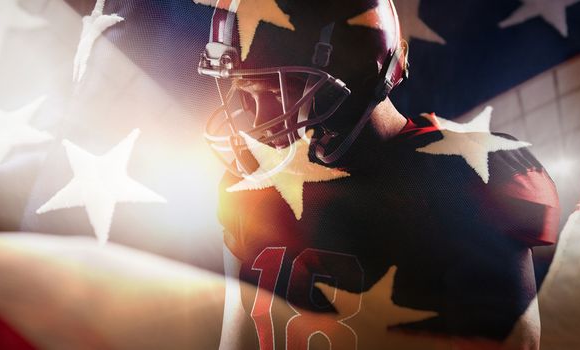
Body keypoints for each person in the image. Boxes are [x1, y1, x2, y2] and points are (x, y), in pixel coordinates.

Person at [197, 0, 559, 348]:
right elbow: (238, 338)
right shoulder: (250, 184)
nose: (259, 123)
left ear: (355, 74)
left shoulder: (460, 174)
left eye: (280, 90)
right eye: (246, 93)